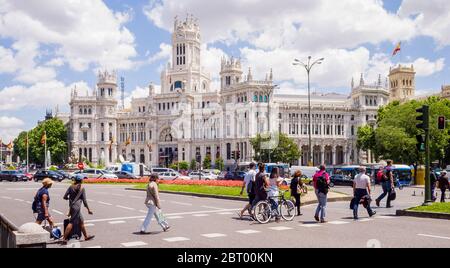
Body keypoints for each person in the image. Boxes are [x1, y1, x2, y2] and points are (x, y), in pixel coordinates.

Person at [61, 175, 94, 245]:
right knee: (72, 222)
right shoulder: (82, 188)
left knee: (81, 221)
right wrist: (88, 209)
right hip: (77, 207)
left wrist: (70, 199)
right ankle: (64, 239)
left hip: (72, 206)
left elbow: (64, 197)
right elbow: (84, 200)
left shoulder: (71, 186)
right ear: (81, 180)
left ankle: (86, 236)